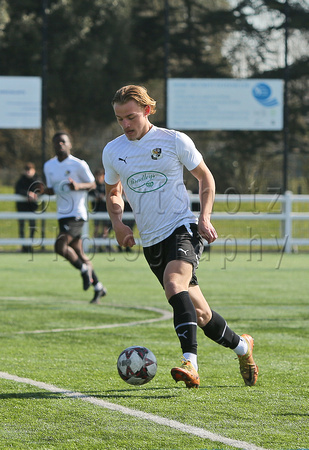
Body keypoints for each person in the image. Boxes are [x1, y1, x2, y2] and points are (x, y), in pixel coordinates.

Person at [103, 85, 258, 388]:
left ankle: (191, 364)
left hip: (182, 228)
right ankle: (243, 347)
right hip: (151, 241)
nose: (126, 125)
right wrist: (118, 222)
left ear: (147, 110)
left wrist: (204, 216)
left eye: (131, 117)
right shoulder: (113, 150)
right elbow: (113, 191)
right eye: (120, 119)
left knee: (175, 285)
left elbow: (206, 177)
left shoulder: (174, 140)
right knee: (200, 314)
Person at [42, 132, 107, 304]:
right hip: (62, 214)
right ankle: (98, 286)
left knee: (59, 246)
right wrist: (40, 191)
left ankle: (84, 269)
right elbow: (52, 189)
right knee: (79, 252)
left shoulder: (78, 164)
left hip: (77, 214)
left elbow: (93, 183)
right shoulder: (49, 165)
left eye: (63, 141)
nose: (60, 145)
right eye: (56, 142)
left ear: (70, 144)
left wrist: (78, 186)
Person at [15, 162, 39, 252]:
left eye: (30, 170)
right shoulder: (21, 181)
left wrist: (35, 195)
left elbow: (41, 189)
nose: (28, 172)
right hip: (22, 208)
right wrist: (27, 194)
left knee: (32, 227)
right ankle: (23, 246)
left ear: (34, 170)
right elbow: (18, 190)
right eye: (26, 170)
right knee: (21, 227)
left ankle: (30, 246)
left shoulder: (37, 180)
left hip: (32, 208)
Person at [89, 168, 111, 252]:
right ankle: (96, 246)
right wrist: (96, 197)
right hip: (96, 211)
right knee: (96, 228)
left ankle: (105, 246)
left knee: (105, 229)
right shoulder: (93, 186)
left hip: (106, 211)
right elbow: (90, 193)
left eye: (100, 176)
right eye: (97, 176)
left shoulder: (107, 186)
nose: (99, 178)